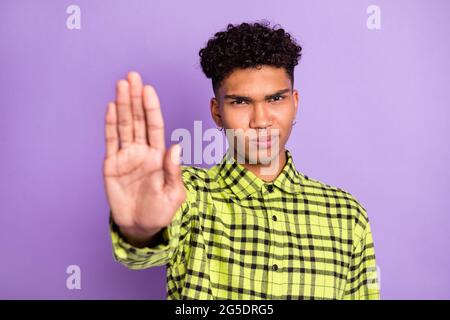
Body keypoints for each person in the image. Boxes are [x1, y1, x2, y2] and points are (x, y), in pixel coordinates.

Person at [103, 21, 380, 300]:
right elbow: (139, 256)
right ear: (217, 112)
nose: (261, 121)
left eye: (275, 99)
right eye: (241, 102)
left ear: (294, 102)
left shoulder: (347, 215)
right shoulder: (184, 193)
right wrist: (141, 232)